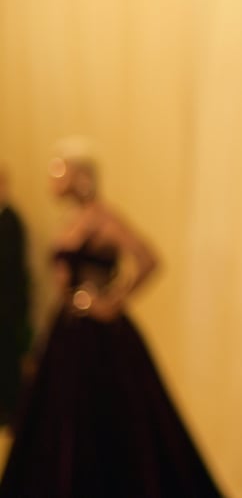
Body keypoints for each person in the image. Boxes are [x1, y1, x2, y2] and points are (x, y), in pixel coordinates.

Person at [0, 139, 221, 497]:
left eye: (62, 171)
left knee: (112, 415)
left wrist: (112, 299)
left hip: (101, 338)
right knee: (54, 416)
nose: (54, 179)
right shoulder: (71, 220)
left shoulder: (103, 219)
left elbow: (148, 258)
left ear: (82, 176)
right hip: (66, 332)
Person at [0, 166, 31, 429]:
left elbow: (10, 268)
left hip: (7, 308)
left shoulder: (11, 221)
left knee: (8, 363)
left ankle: (11, 414)